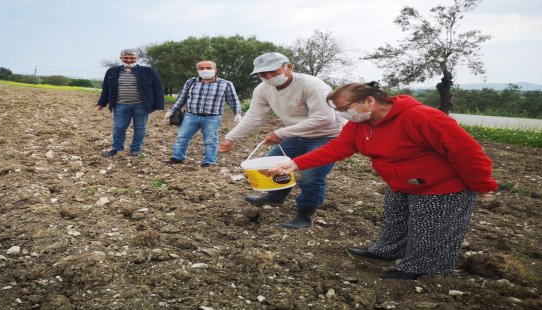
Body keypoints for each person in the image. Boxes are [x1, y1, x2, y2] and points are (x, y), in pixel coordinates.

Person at [265, 81, 498, 280]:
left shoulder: (422, 117)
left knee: (431, 229)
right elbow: (337, 148)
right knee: (396, 219)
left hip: (442, 187)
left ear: (369, 101)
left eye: (345, 108)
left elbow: (467, 152)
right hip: (401, 182)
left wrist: (482, 185)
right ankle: (387, 250)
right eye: (339, 110)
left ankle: (422, 267)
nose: (343, 114)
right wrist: (295, 163)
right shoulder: (360, 125)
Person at [218, 52, 345, 229]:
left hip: (327, 135)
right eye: (263, 74)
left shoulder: (312, 85)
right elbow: (254, 116)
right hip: (297, 134)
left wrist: (282, 133)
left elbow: (324, 118)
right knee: (273, 164)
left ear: (288, 67)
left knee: (311, 177)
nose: (268, 77)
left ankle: (304, 215)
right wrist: (231, 138)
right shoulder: (263, 89)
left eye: (273, 71)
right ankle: (275, 196)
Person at [164, 60, 243, 167]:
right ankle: (177, 157)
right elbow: (181, 98)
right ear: (197, 70)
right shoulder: (190, 82)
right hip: (190, 115)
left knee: (211, 141)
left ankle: (209, 161)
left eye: (208, 68)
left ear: (215, 70)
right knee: (182, 137)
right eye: (201, 68)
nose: (205, 70)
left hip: (212, 117)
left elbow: (233, 100)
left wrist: (238, 113)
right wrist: (172, 110)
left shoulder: (226, 84)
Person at [97, 49, 164, 157]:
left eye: (132, 58)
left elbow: (158, 88)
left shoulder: (148, 71)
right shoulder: (112, 71)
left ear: (137, 59)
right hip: (120, 104)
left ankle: (136, 149)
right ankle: (116, 149)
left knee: (140, 128)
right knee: (119, 127)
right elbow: (106, 88)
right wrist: (101, 103)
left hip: (141, 105)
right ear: (121, 58)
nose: (129, 60)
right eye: (126, 58)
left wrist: (158, 105)